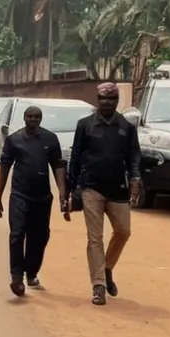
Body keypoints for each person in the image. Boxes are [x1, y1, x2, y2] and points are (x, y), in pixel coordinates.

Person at [67, 82, 142, 306]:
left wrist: (136, 178)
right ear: (97, 100)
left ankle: (107, 267)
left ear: (117, 101)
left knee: (124, 231)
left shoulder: (126, 127)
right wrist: (73, 189)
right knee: (94, 238)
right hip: (92, 188)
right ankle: (98, 285)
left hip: (118, 188)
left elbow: (134, 156)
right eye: (102, 99)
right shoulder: (85, 125)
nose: (106, 103)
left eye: (111, 99)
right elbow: (76, 157)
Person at [0, 105, 68, 296]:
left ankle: (32, 272)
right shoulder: (14, 140)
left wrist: (62, 194)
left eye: (36, 117)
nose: (33, 120)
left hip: (42, 197)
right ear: (24, 118)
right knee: (17, 234)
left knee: (40, 235)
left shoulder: (50, 139)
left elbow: (58, 166)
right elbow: (5, 167)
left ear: (40, 119)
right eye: (29, 116)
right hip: (19, 195)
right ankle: (16, 277)